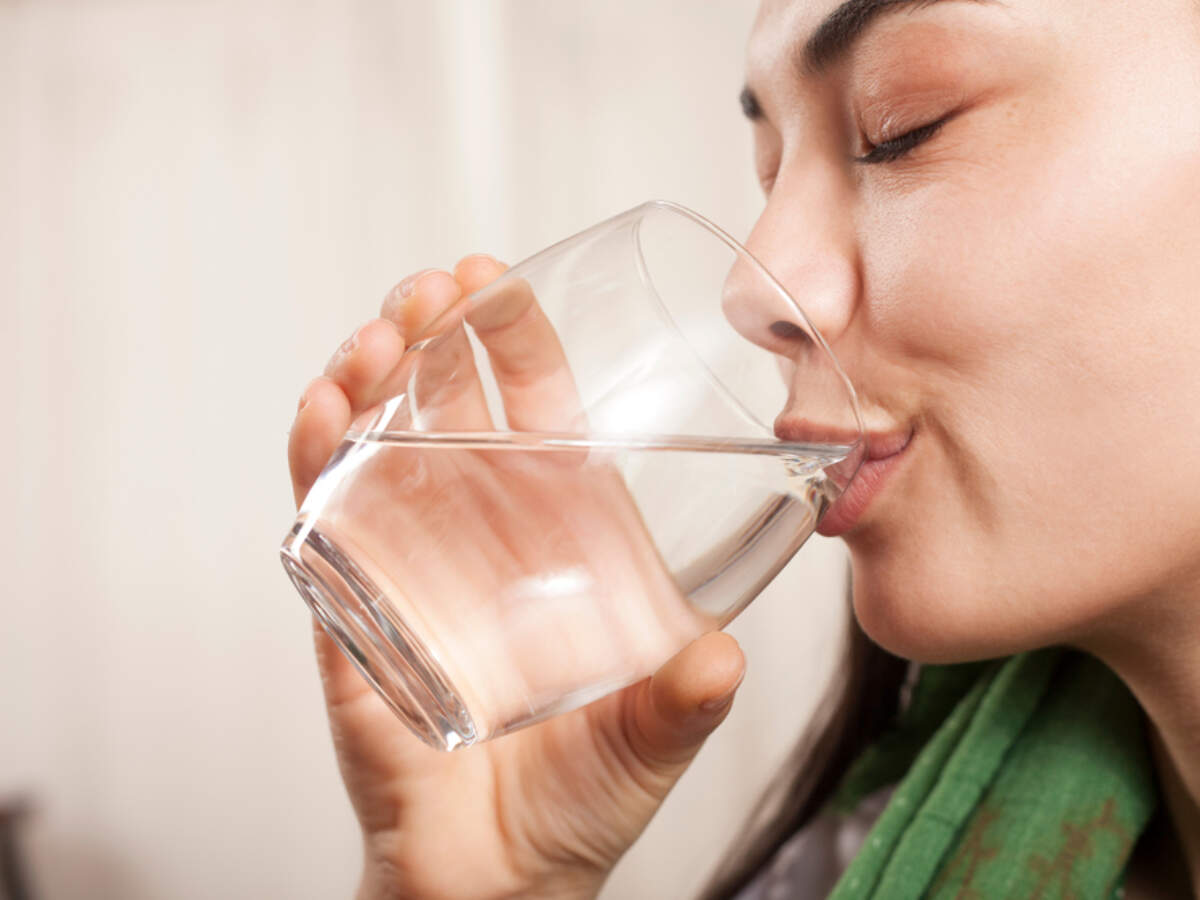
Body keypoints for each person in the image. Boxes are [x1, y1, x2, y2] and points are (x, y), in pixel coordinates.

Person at [286, 0, 1200, 895]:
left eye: (901, 128)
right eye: (770, 173)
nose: (755, 286)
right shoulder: (870, 856)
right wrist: (501, 885)